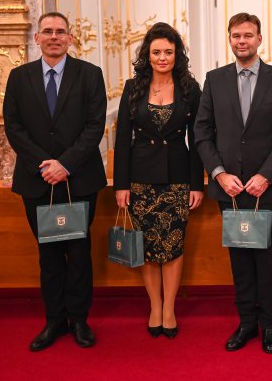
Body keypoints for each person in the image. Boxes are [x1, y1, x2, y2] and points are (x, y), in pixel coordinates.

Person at [195, 12, 272, 354]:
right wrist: (219, 173)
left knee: (268, 261)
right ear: (229, 39)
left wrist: (266, 175)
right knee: (240, 261)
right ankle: (246, 323)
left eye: (248, 35)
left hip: (268, 189)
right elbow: (202, 132)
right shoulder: (214, 80)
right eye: (236, 35)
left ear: (259, 39)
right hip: (231, 189)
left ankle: (270, 325)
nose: (242, 41)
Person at [3, 12, 107, 351]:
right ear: (37, 38)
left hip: (79, 179)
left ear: (70, 38)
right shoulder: (19, 77)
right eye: (47, 31)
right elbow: (13, 126)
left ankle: (79, 319)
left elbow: (95, 126)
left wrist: (65, 164)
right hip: (36, 180)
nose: (54, 37)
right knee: (47, 254)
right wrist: (44, 166)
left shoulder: (90, 74)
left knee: (79, 253)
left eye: (60, 31)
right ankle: (54, 320)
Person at [114, 22, 204, 339]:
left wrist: (197, 184)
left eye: (168, 51)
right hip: (140, 180)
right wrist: (121, 185)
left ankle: (170, 309)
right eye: (156, 52)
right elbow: (122, 140)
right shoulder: (133, 87)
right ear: (147, 55)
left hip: (178, 179)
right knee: (148, 247)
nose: (162, 57)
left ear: (177, 54)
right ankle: (155, 305)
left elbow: (199, 139)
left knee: (173, 246)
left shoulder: (190, 89)